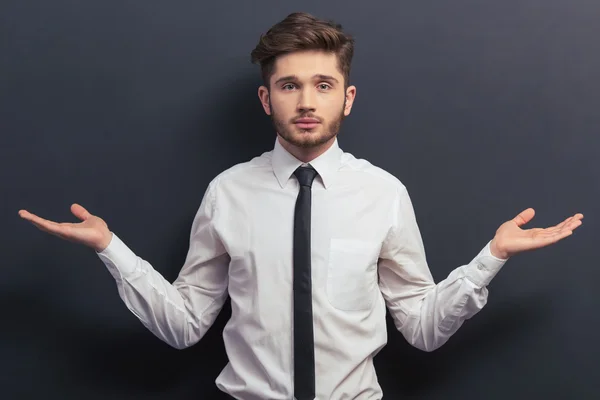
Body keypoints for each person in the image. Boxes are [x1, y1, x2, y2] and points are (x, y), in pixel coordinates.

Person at [18, 12, 583, 400]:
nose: (307, 101)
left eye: (322, 83)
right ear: (266, 98)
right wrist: (110, 249)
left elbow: (423, 329)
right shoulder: (228, 192)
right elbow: (186, 325)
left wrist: (492, 257)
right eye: (289, 86)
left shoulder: (383, 193)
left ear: (347, 96)